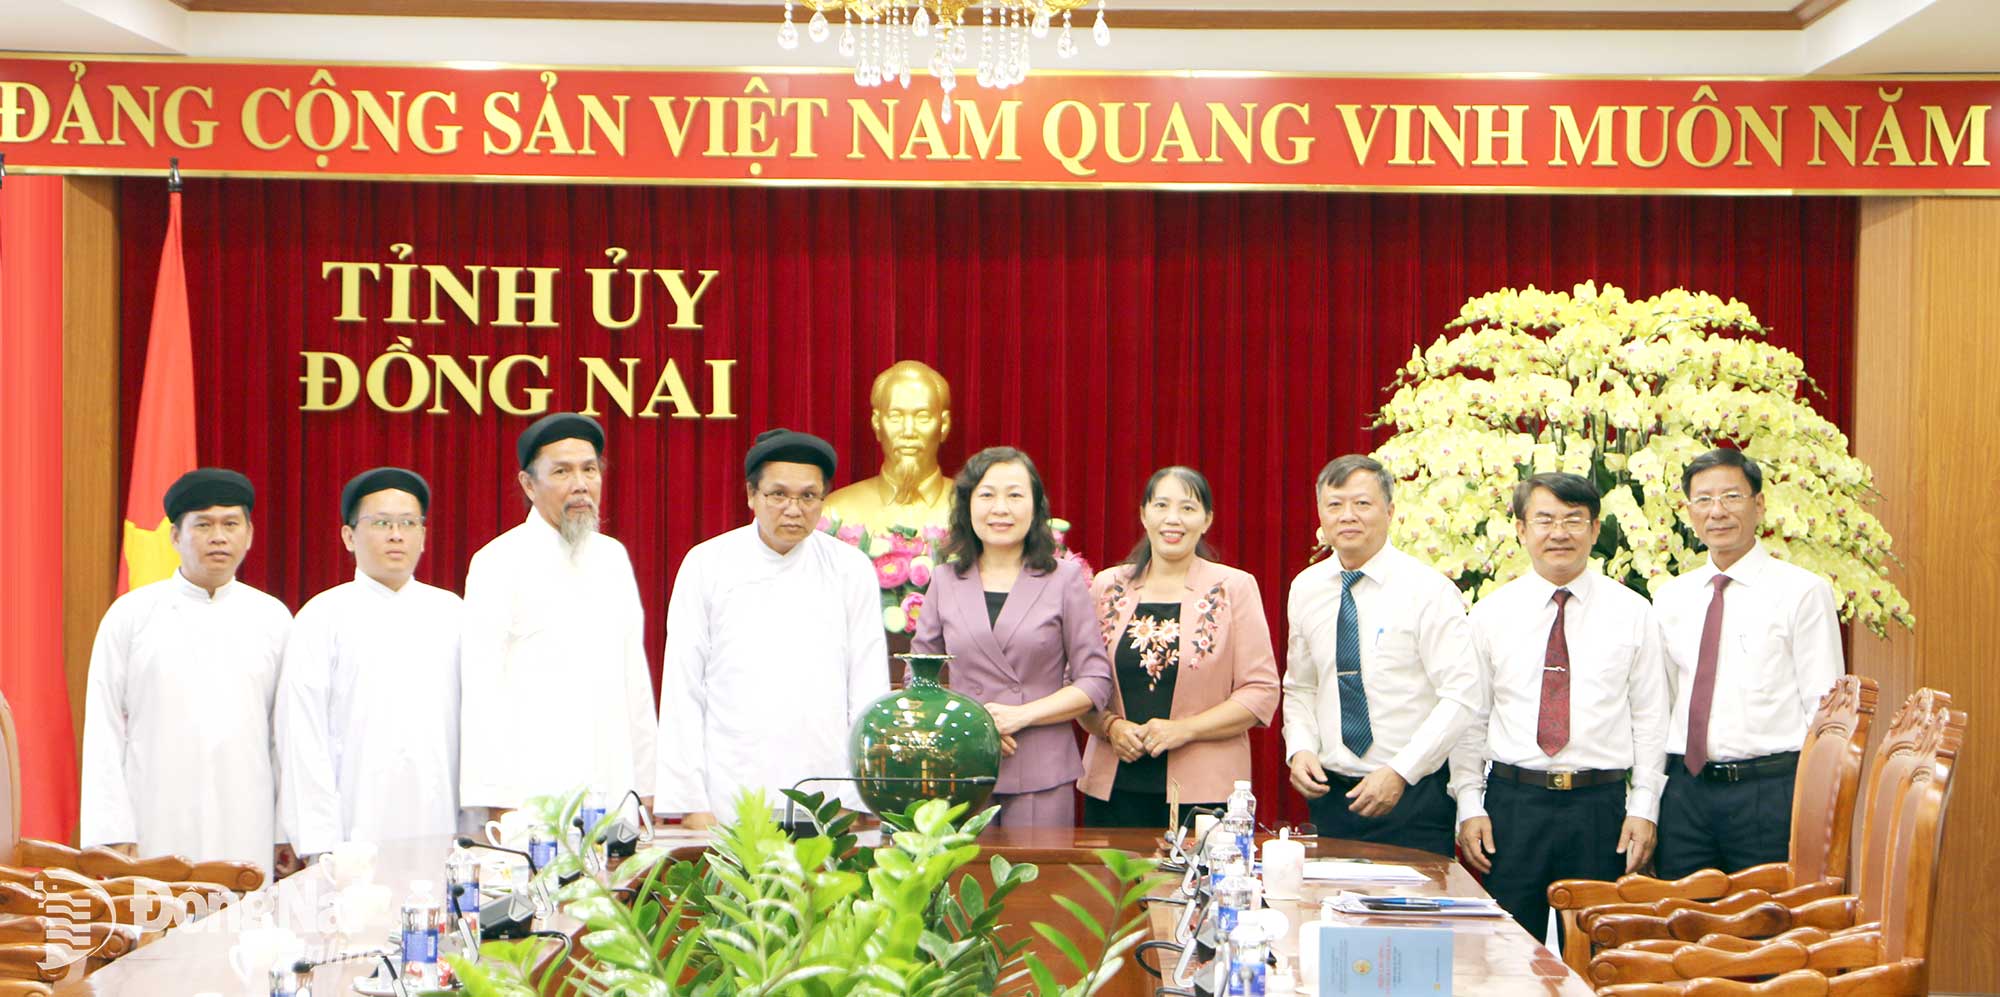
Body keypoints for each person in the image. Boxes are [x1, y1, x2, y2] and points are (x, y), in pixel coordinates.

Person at [1449, 472, 1670, 937]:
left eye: (1574, 520)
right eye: (1545, 519)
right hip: (1514, 805)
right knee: (1507, 953)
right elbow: (1470, 718)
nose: (1559, 533)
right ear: (1521, 529)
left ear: (1595, 529)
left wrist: (1644, 805)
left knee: (1598, 954)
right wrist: (1469, 802)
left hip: (1601, 807)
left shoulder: (1633, 612)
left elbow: (1651, 718)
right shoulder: (1490, 614)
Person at [654, 429, 889, 827]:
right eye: (778, 494)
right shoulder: (707, 564)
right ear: (751, 495)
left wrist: (856, 799)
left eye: (808, 496)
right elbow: (683, 688)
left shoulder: (850, 570)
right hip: (729, 787)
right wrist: (691, 803)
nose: (793, 509)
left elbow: (869, 691)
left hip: (826, 789)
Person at [79, 468, 294, 878]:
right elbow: (105, 728)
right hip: (154, 819)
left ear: (248, 535)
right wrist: (110, 830)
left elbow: (283, 735)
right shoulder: (131, 616)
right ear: (175, 536)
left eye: (231, 524)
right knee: (157, 931)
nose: (218, 536)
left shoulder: (273, 619)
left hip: (247, 819)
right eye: (203, 525)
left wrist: (286, 828)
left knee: (242, 933)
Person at [1651, 448, 1842, 879]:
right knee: (1680, 931)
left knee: (1764, 932)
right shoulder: (1671, 597)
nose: (1716, 511)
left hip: (1769, 792)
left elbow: (1824, 711)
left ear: (1758, 504)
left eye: (1731, 497)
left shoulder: (1802, 592)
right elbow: (1660, 701)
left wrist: (1820, 808)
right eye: (1703, 500)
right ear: (1688, 511)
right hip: (1686, 794)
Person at [1280, 454, 1483, 857]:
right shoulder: (1307, 587)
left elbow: (1461, 696)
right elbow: (1301, 686)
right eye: (1334, 505)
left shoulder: (1428, 590)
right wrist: (1300, 746)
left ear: (1389, 511)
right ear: (1320, 514)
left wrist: (1400, 771)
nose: (1347, 516)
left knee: (1407, 918)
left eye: (1362, 504)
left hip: (1411, 797)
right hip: (1331, 797)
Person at [459, 413, 657, 817]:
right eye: (562, 471)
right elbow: (482, 689)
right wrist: (495, 801)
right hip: (531, 792)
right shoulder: (498, 561)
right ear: (528, 484)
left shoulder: (613, 558)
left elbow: (634, 678)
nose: (581, 484)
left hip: (612, 784)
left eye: (590, 469)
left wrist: (647, 785)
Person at [911, 446, 1114, 827]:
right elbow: (918, 676)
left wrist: (1020, 716)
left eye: (1015, 495)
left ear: (1036, 507)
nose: (1000, 508)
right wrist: (977, 727)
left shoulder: (1064, 579)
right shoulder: (944, 580)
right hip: (960, 765)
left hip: (1041, 768)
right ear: (967, 504)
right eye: (987, 495)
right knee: (958, 884)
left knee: (1036, 884)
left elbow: (1095, 681)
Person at [1078, 467, 1280, 828]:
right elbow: (1079, 683)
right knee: (1110, 885)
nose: (1173, 519)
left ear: (1207, 520)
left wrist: (1185, 729)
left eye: (1188, 508)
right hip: (1113, 789)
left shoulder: (1234, 587)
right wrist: (1111, 727)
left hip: (1205, 794)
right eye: (1161, 506)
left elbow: (1260, 692)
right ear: (1143, 514)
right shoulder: (1107, 586)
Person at [276, 468, 462, 858]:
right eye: (381, 523)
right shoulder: (322, 616)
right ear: (348, 536)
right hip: (351, 828)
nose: (397, 534)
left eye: (409, 523)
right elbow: (302, 735)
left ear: (424, 536)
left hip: (441, 820)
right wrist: (319, 840)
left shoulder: (454, 614)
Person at [823, 360, 955, 534]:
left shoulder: (974, 510)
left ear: (944, 425)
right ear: (877, 424)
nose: (908, 431)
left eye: (922, 417)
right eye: (895, 417)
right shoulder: (836, 513)